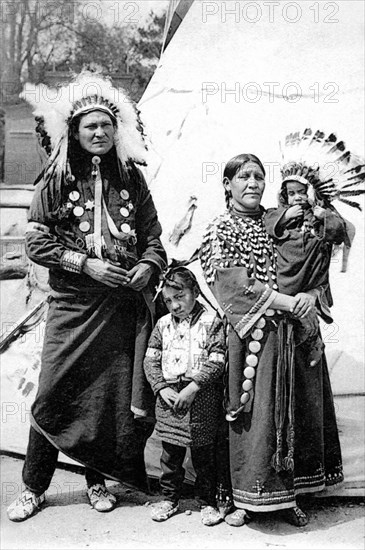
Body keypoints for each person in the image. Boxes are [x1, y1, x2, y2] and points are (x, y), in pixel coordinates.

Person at [7, 70, 167, 522]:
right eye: (89, 126)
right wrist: (86, 264)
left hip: (119, 306)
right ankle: (34, 487)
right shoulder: (56, 177)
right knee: (53, 393)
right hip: (72, 307)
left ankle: (97, 479)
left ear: (117, 130)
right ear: (75, 132)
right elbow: (35, 244)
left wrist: (146, 267)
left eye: (105, 125)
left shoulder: (131, 180)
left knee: (106, 398)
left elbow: (154, 239)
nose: (99, 133)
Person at [199, 153, 344, 528]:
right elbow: (232, 286)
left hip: (293, 335)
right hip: (252, 340)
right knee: (254, 416)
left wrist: (310, 296)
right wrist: (287, 303)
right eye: (243, 177)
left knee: (296, 412)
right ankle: (248, 497)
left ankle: (291, 496)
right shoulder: (220, 229)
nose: (252, 184)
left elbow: (309, 265)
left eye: (259, 177)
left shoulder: (276, 221)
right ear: (227, 184)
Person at [143, 266, 226, 526]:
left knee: (204, 456)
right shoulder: (162, 325)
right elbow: (150, 360)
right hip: (169, 399)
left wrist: (193, 387)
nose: (174, 305)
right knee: (170, 456)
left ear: (196, 292)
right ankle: (169, 498)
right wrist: (161, 387)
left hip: (201, 397)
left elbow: (217, 360)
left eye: (180, 297)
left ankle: (207, 501)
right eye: (168, 300)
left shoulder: (211, 322)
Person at [265, 177, 346, 366]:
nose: (297, 198)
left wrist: (322, 214)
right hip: (286, 276)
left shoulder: (316, 216)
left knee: (306, 314)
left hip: (309, 277)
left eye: (302, 192)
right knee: (291, 313)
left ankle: (312, 340)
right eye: (291, 193)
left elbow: (338, 233)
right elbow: (269, 224)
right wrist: (285, 216)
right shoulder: (277, 215)